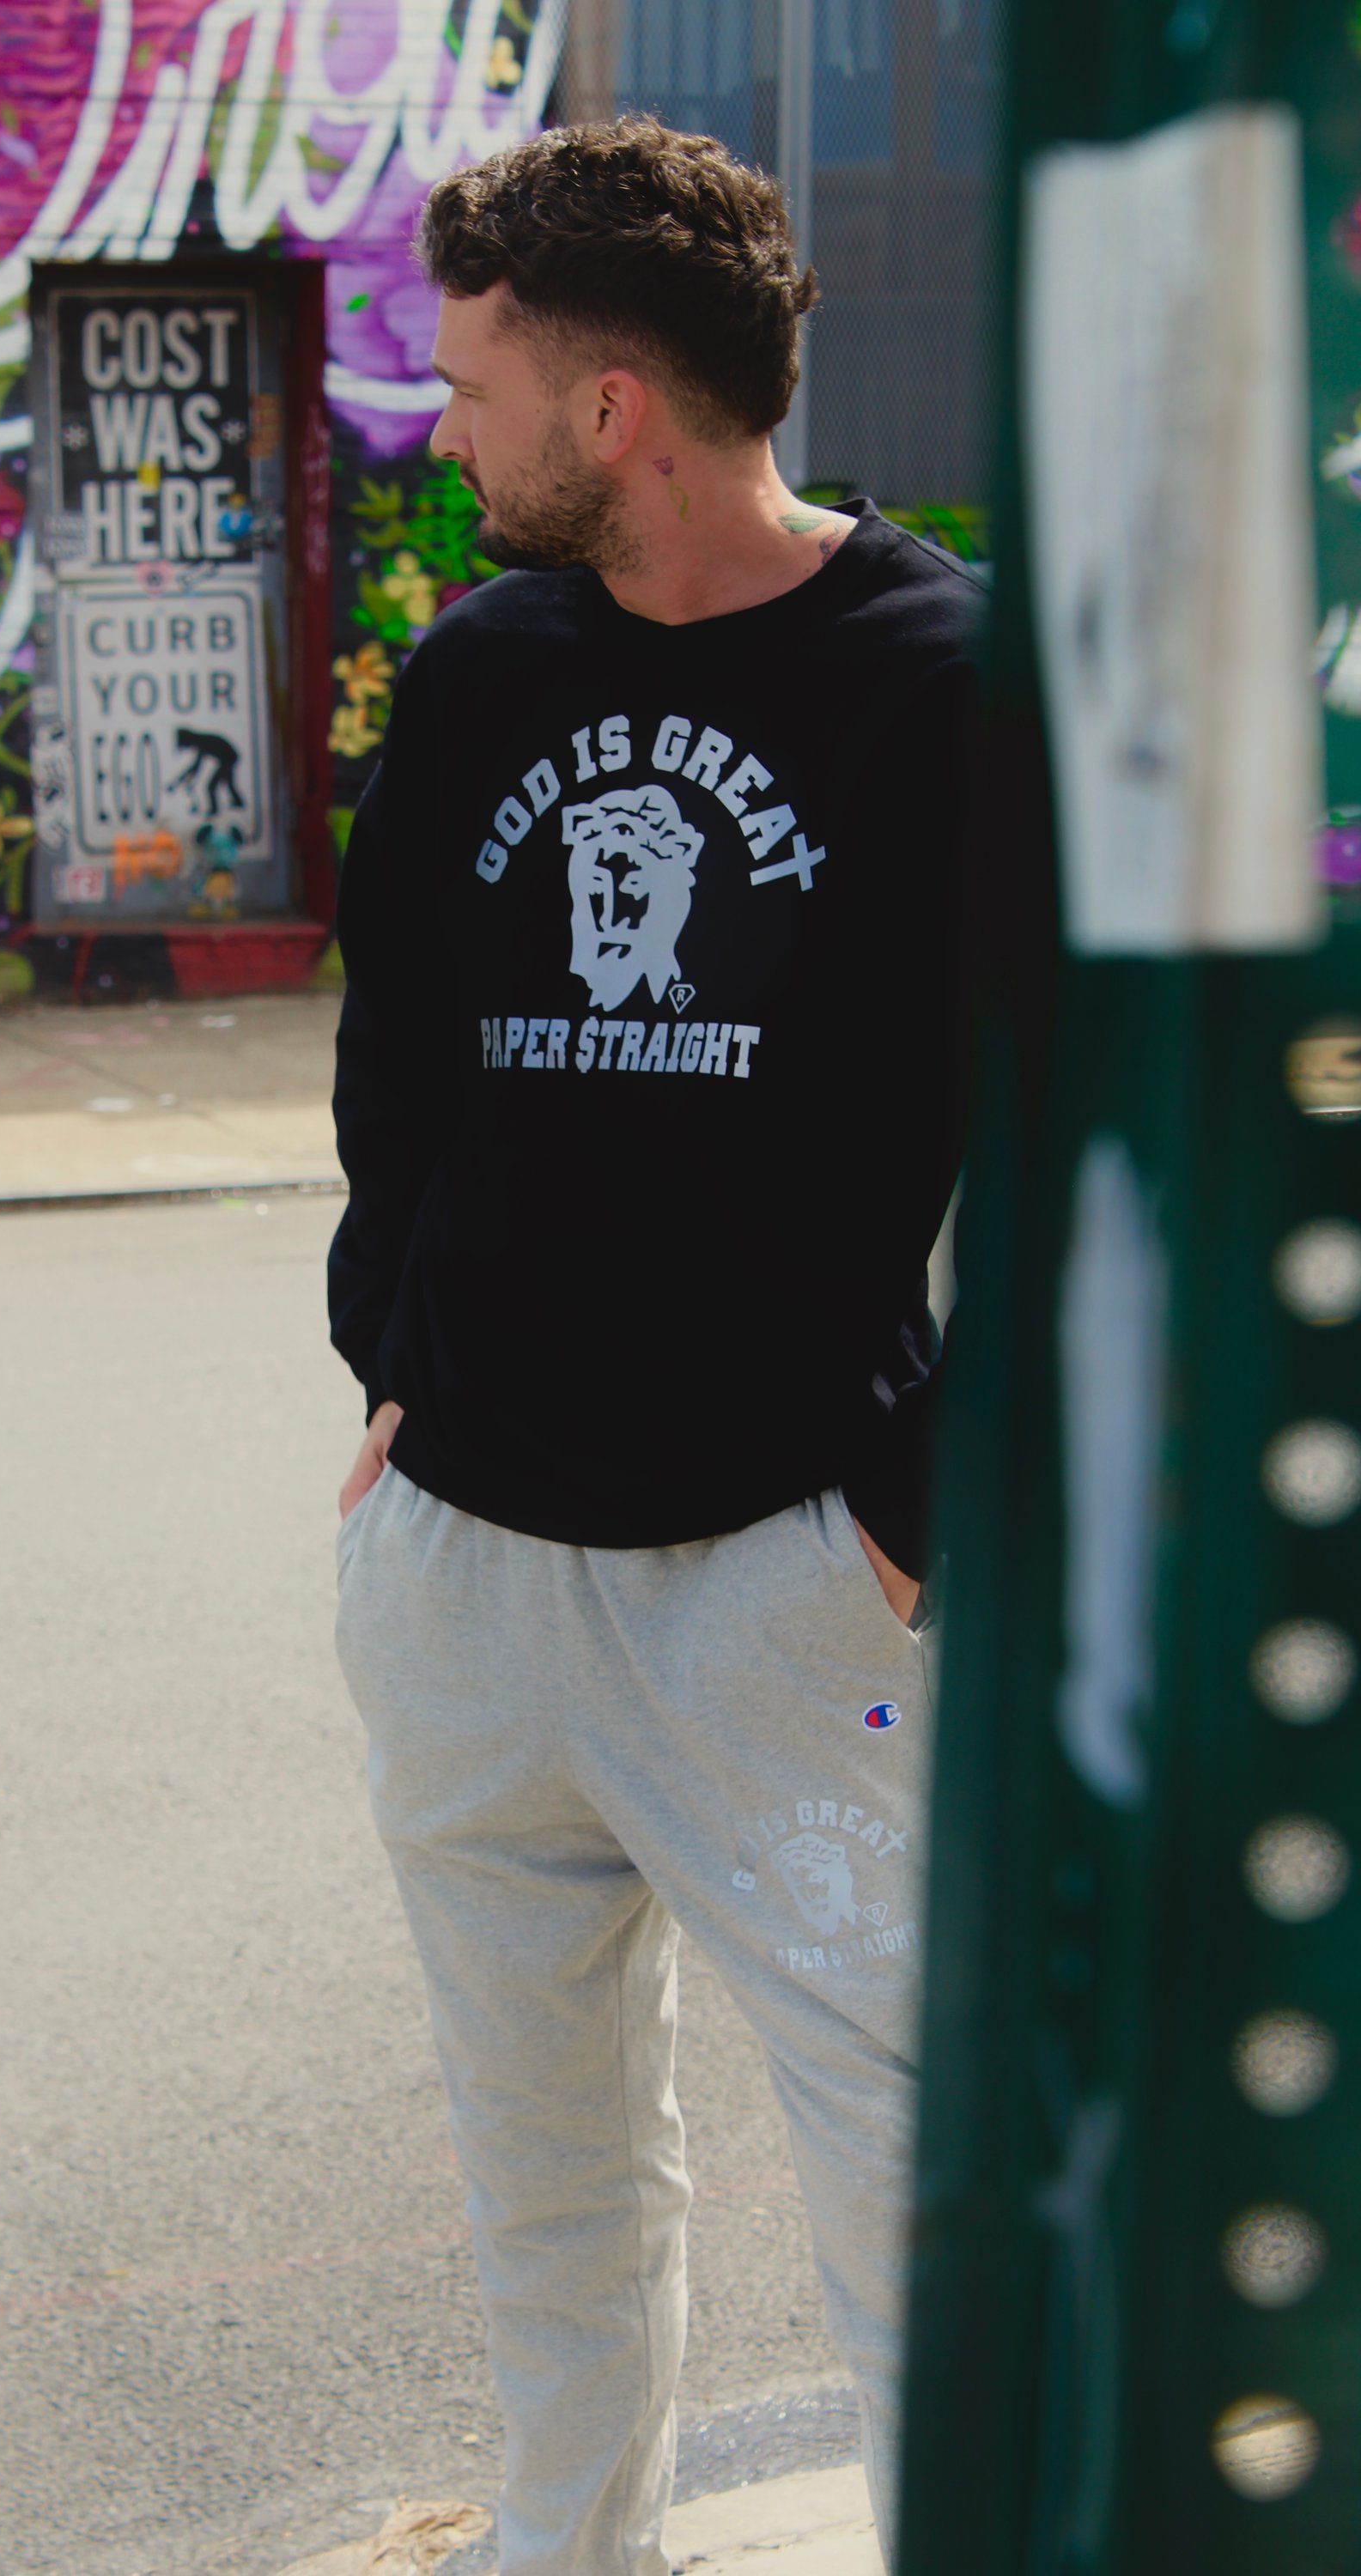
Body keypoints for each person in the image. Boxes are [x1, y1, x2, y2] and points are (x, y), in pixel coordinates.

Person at [328, 115, 981, 2576]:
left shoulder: (952, 685)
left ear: (612, 409)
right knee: (545, 2184)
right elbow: (396, 1063)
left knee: (905, 2172)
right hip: (468, 1575)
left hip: (785, 1595)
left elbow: (1075, 1145)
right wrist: (388, 1369)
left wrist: (911, 1507)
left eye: (471, 385)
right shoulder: (485, 670)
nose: (443, 427)